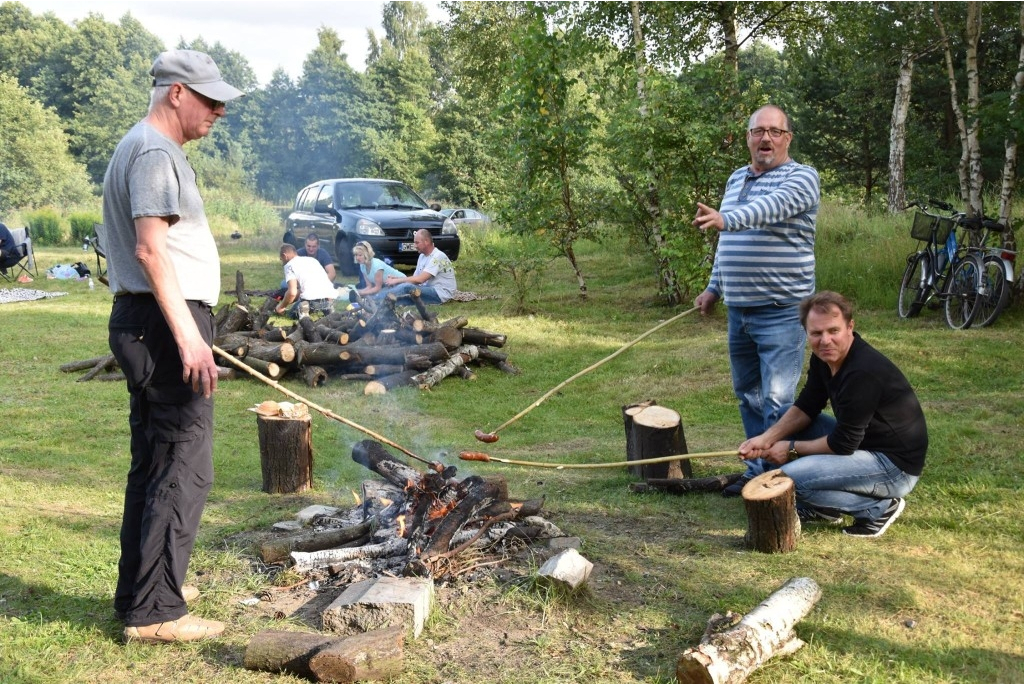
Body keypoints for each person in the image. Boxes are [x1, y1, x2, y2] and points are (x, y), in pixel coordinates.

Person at [103, 49, 244, 643]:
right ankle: (157, 613)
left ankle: (142, 596)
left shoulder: (145, 146)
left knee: (158, 462)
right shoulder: (157, 152)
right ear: (176, 93)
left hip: (152, 320)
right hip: (166, 324)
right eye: (209, 99)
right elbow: (150, 250)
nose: (218, 111)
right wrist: (190, 338)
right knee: (183, 466)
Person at [692, 104, 820, 496]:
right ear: (748, 137)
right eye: (758, 131)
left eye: (775, 132)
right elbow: (727, 242)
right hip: (740, 310)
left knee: (778, 401)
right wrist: (714, 287)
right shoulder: (736, 179)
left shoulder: (802, 178)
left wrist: (727, 219)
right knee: (748, 394)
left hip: (782, 310)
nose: (766, 138)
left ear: (788, 138)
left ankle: (778, 482)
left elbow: (768, 211)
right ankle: (757, 470)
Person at [737, 291, 927, 538]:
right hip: (863, 446)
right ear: (806, 332)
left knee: (789, 479)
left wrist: (791, 449)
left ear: (850, 327)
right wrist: (766, 438)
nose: (825, 340)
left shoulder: (862, 372)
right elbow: (808, 405)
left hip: (894, 467)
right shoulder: (824, 359)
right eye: (816, 333)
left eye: (833, 331)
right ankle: (824, 508)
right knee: (785, 415)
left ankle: (878, 507)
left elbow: (843, 443)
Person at [381, 229, 456, 304]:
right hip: (428, 289)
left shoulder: (438, 256)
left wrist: (396, 281)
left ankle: (378, 298)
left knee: (407, 288)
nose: (415, 246)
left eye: (417, 243)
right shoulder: (422, 256)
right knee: (406, 293)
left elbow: (420, 279)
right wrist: (397, 279)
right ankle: (383, 301)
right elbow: (414, 279)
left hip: (441, 293)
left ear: (426, 241)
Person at [275, 243, 343, 317]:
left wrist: (281, 307)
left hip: (311, 301)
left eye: (281, 259)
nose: (282, 261)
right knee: (324, 306)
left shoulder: (289, 265)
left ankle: (304, 309)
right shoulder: (312, 260)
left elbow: (292, 293)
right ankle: (328, 310)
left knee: (291, 314)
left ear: (285, 256)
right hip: (329, 298)